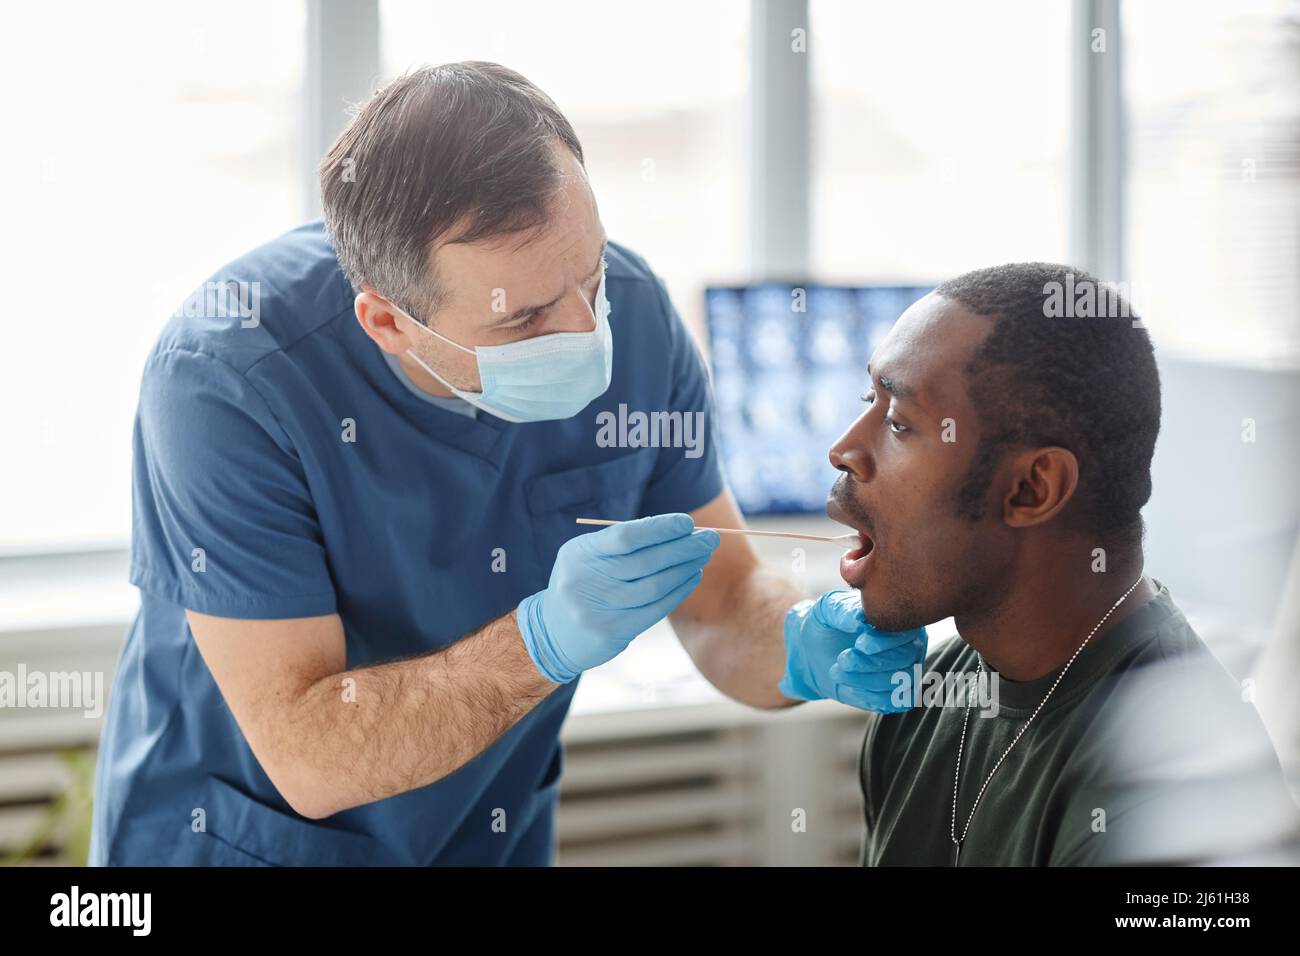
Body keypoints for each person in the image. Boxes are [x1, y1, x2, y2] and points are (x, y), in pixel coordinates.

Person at [89, 62, 925, 866]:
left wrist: (800, 642)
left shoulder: (633, 317)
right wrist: (544, 642)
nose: (585, 332)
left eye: (588, 277)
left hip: (484, 831)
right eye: (524, 320)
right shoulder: (228, 379)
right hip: (243, 840)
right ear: (387, 321)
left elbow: (722, 601)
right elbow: (309, 754)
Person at [831, 263, 1300, 865]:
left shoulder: (1180, 797)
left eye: (899, 422)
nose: (843, 449)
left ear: (1031, 489)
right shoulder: (924, 701)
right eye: (868, 400)